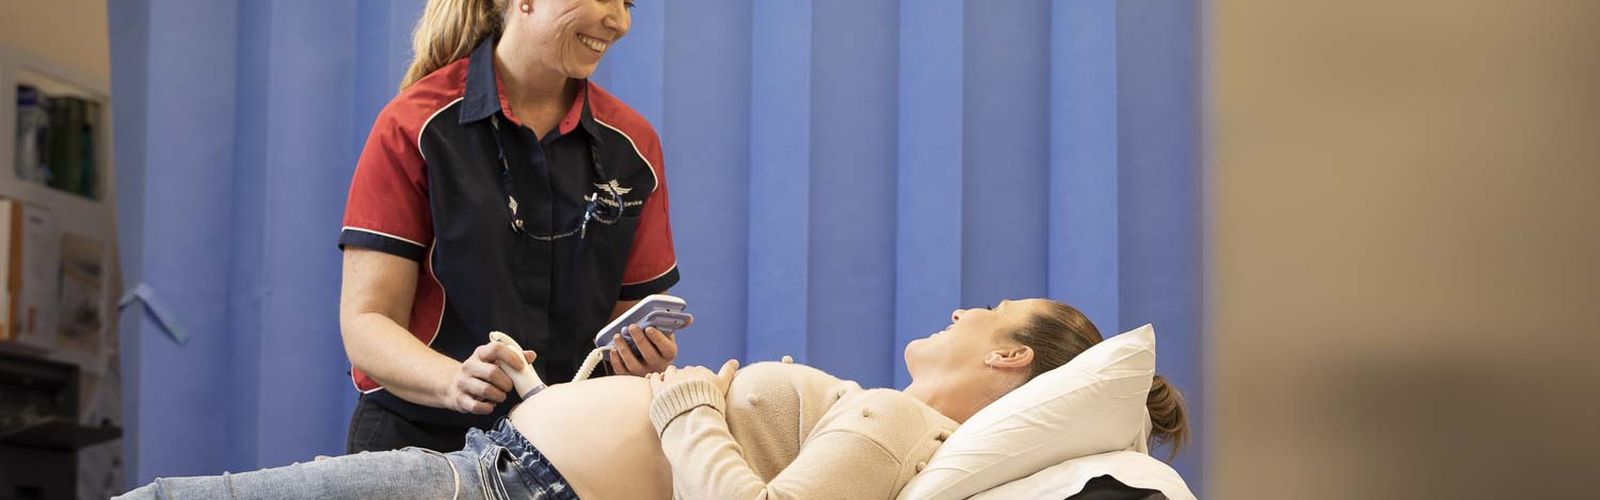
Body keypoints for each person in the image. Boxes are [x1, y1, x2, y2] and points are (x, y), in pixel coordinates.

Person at [119, 299, 1190, 499]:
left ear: (1010, 359)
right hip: (511, 463)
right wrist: (547, 390)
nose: (963, 306)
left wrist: (681, 398)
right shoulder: (889, 417)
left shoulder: (902, 416)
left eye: (990, 307)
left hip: (505, 485)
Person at [338, 0, 683, 455]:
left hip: (573, 452)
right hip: (419, 448)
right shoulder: (414, 127)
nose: (618, 21)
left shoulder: (634, 146)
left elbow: (630, 319)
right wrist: (451, 381)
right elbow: (367, 321)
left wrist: (642, 357)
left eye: (626, 3)